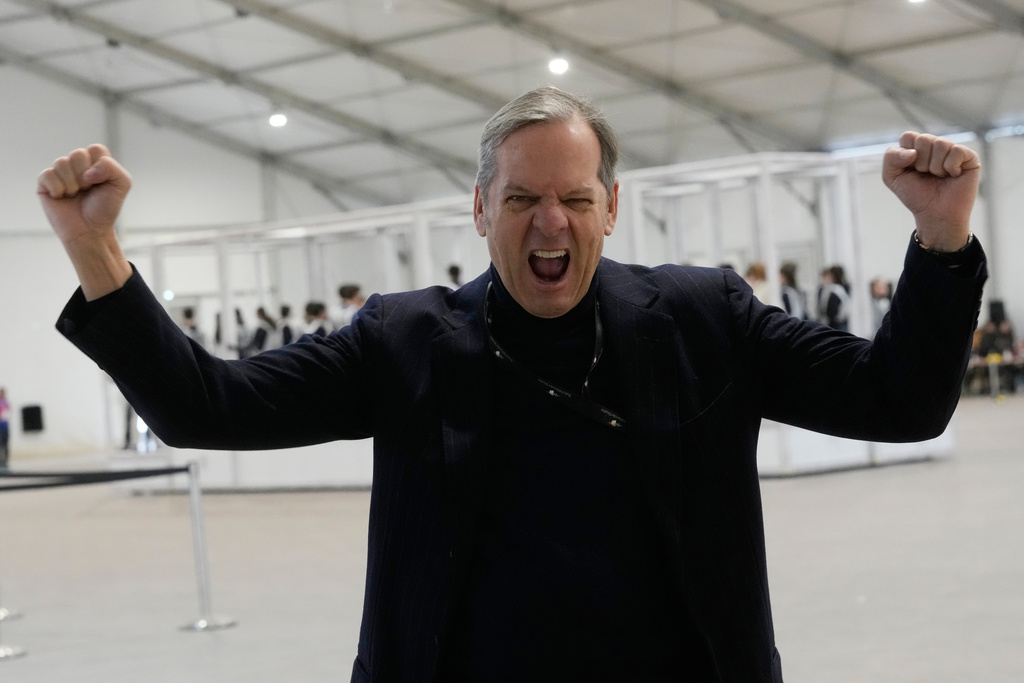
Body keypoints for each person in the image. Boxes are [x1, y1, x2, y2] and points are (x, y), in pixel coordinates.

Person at [37, 86, 985, 682]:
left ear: (612, 208)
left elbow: (895, 401)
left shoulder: (705, 318)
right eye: (524, 197)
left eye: (575, 198)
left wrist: (942, 240)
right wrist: (95, 249)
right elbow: (210, 405)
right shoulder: (403, 339)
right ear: (480, 205)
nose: (550, 223)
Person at [817, 265, 852, 331]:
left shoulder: (836, 289)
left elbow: (832, 307)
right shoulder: (829, 288)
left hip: (836, 321)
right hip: (835, 320)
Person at [0, 387, 10, 469]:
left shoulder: (6, 402)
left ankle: (5, 461)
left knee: (5, 445)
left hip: (5, 426)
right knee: (1, 445)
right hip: (0, 426)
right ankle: (1, 462)